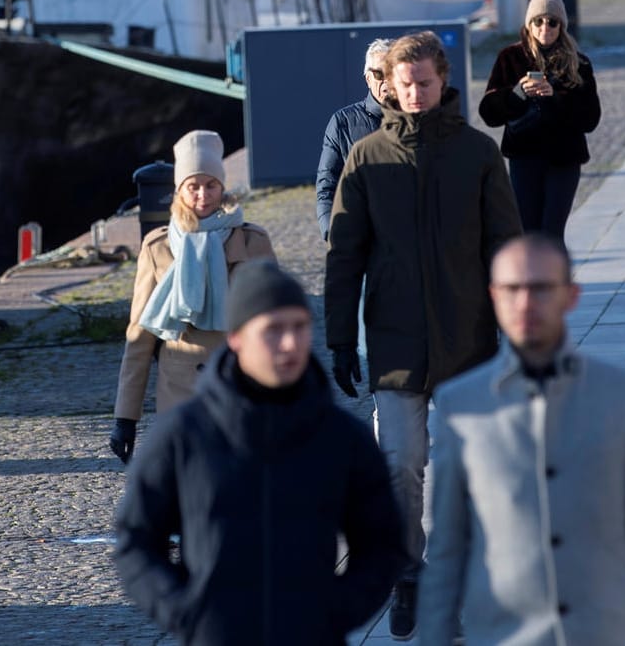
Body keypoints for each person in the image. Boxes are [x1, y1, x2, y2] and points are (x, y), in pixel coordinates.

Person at [325, 30, 523, 640]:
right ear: (389, 84)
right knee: (401, 465)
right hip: (394, 340)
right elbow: (344, 254)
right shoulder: (366, 159)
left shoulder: (477, 153)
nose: (415, 93)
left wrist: (519, 328)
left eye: (425, 82)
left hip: (468, 341)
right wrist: (338, 337)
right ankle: (408, 573)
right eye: (404, 84)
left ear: (442, 80)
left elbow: (507, 247)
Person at [419, 235, 625, 646]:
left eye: (540, 288)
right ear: (493, 296)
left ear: (570, 295)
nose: (525, 303)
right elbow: (446, 550)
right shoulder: (460, 406)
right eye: (512, 289)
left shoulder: (621, 393)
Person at [113, 261, 406, 644]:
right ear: (236, 337)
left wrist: (335, 611)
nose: (289, 344)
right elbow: (136, 543)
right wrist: (188, 612)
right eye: (273, 330)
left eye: (299, 327)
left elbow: (382, 544)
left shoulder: (342, 437)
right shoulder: (183, 436)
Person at [109, 130, 275, 465]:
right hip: (180, 389)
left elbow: (275, 324)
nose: (203, 196)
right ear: (179, 189)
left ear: (222, 186)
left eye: (211, 185)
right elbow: (140, 336)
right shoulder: (158, 247)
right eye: (193, 186)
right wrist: (125, 418)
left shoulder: (253, 241)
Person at [478, 0, 601, 240]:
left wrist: (554, 97)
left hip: (564, 159)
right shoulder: (510, 58)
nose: (545, 27)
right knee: (527, 232)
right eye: (538, 21)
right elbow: (489, 113)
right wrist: (517, 94)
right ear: (529, 24)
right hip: (524, 157)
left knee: (552, 234)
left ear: (561, 26)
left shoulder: (579, 63)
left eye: (552, 21)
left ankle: (556, 281)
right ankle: (534, 280)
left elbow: (590, 118)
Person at [316, 38, 394, 239]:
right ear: (368, 78)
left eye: (392, 72)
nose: (386, 80)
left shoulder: (418, 119)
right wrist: (332, 233)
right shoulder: (342, 122)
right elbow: (327, 186)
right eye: (379, 73)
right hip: (363, 242)